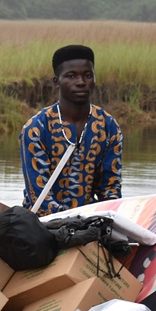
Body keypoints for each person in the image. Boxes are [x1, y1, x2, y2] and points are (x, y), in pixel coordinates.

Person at [20, 44, 123, 216]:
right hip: (42, 224)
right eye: (71, 76)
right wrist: (74, 222)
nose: (81, 82)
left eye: (88, 75)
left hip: (90, 221)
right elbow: (38, 197)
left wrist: (105, 220)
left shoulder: (109, 127)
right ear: (56, 82)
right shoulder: (36, 128)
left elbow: (111, 191)